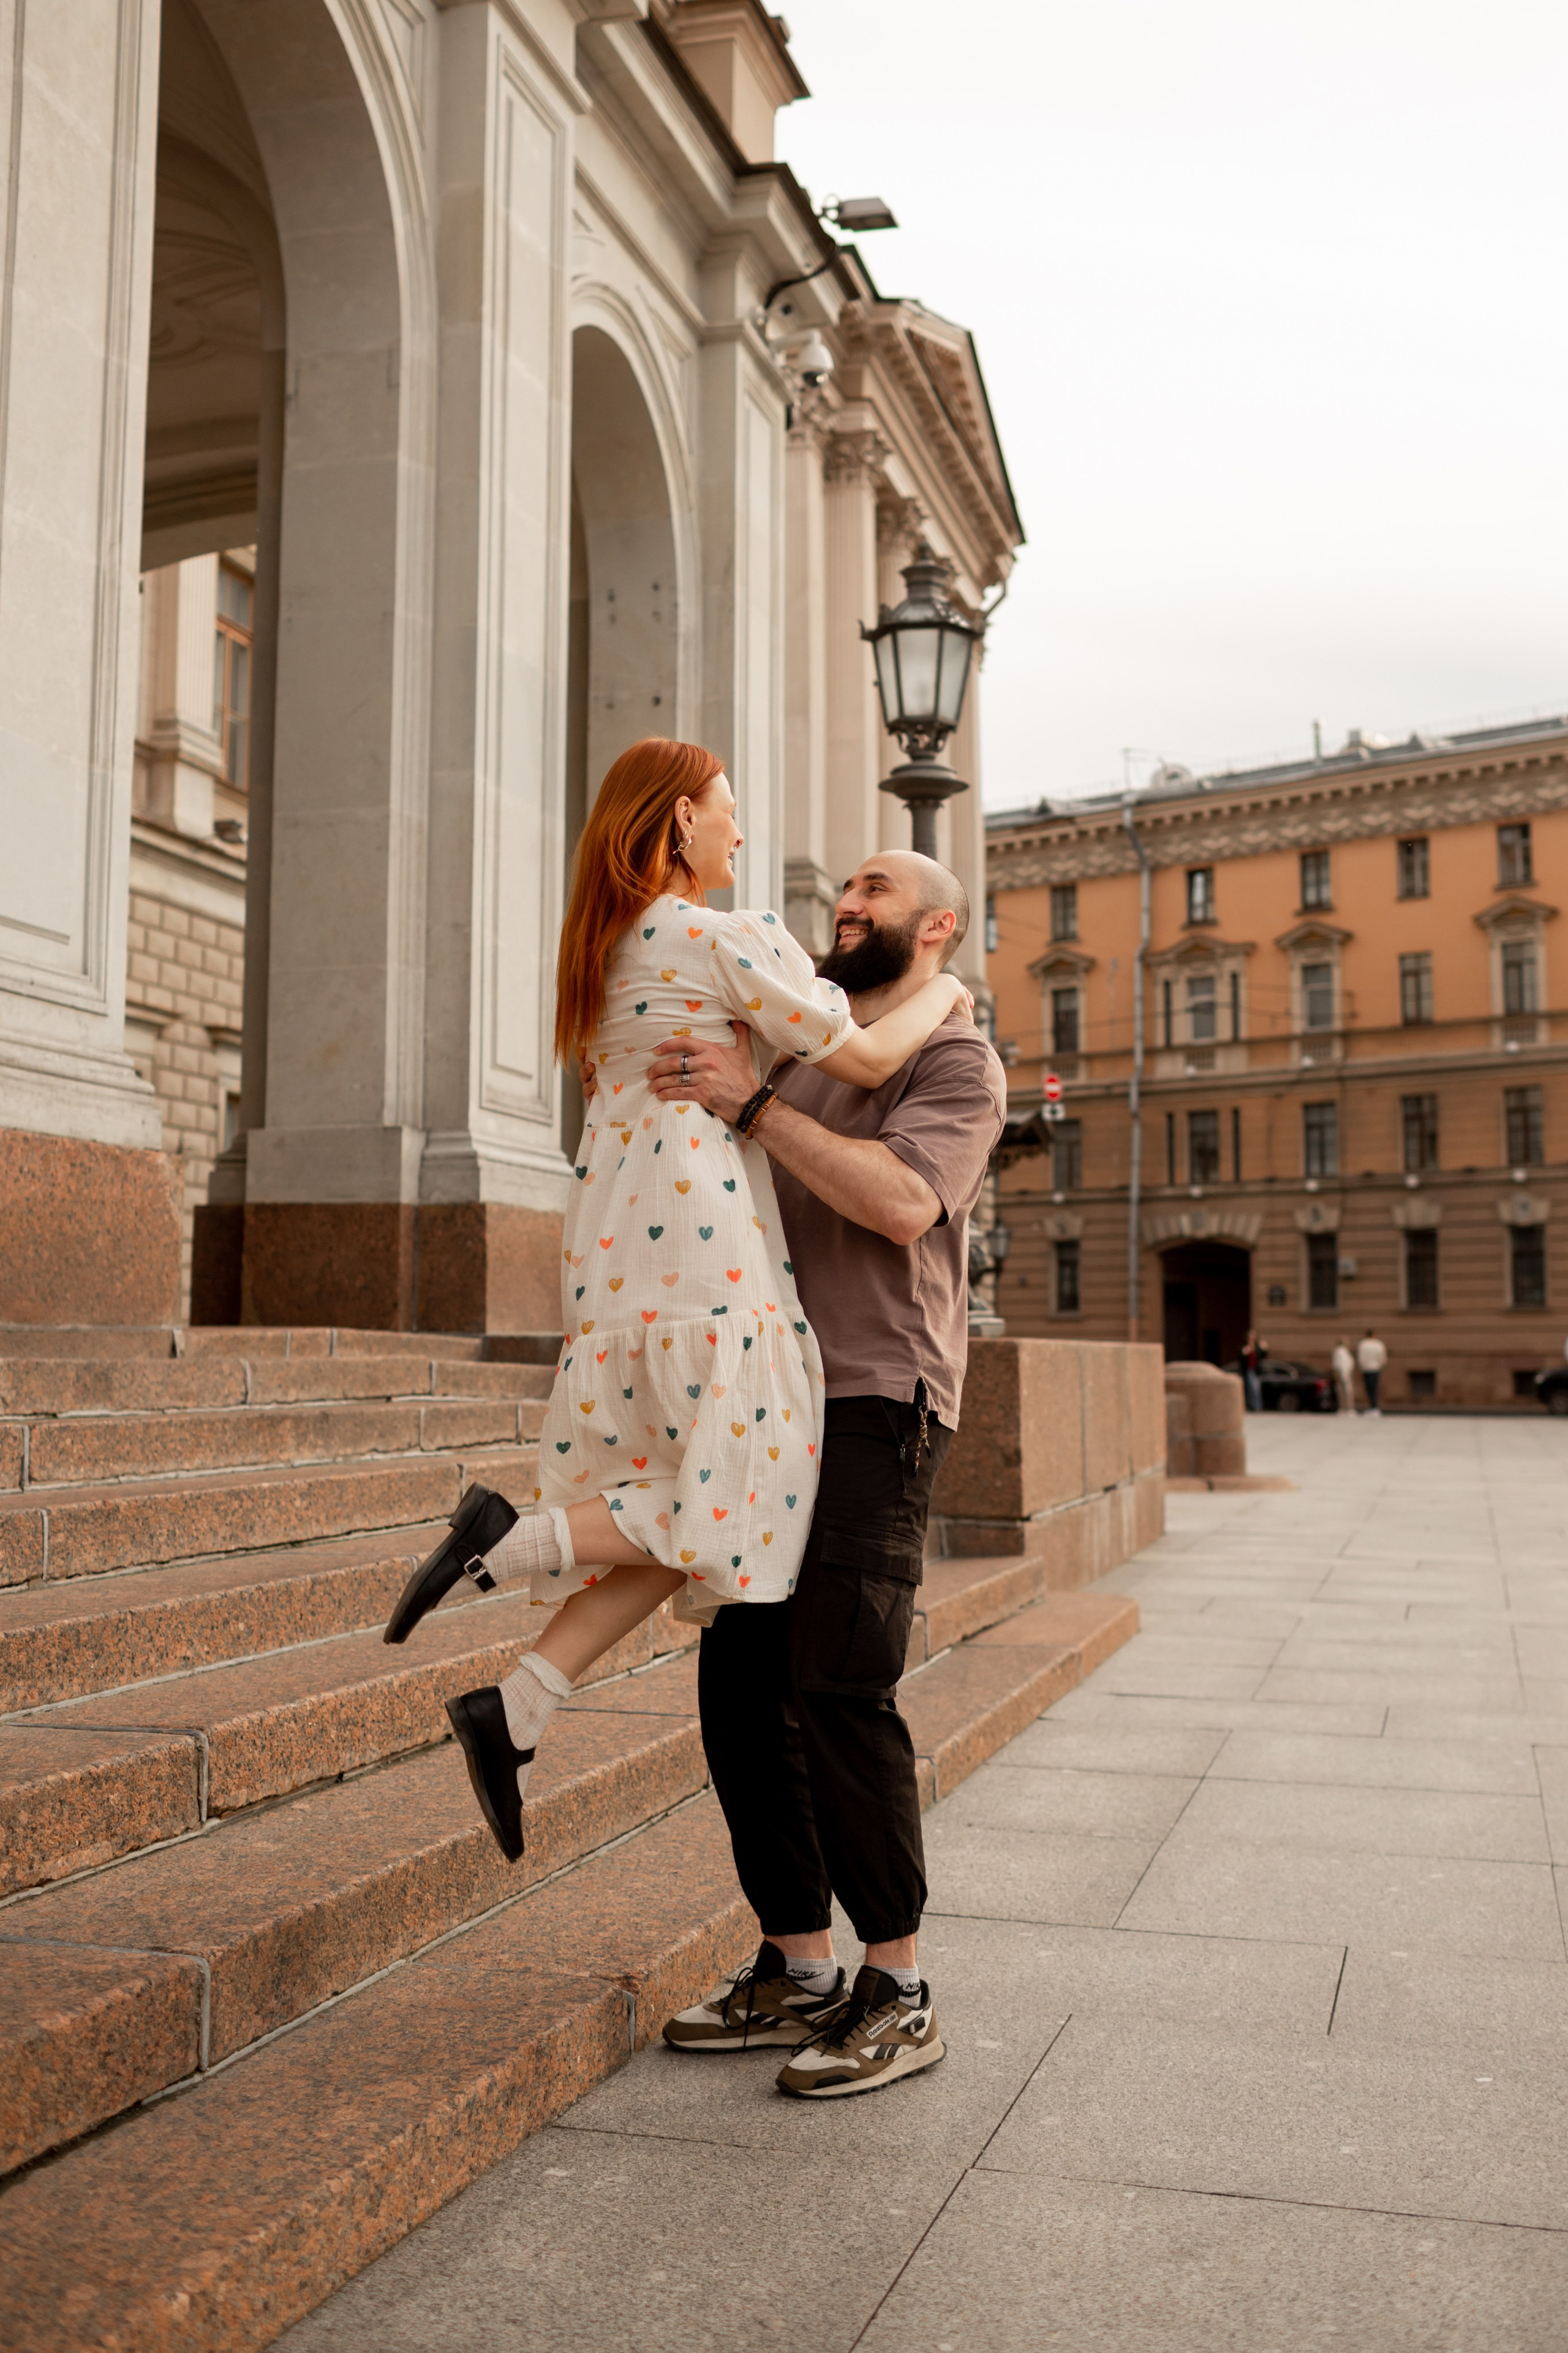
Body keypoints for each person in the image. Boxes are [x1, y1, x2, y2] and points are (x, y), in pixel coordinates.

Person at [381, 739, 970, 1868]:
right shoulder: (718, 936)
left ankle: (522, 1703)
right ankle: (514, 1541)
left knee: (694, 1494)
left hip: (618, 1247)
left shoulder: (602, 952)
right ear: (682, 821)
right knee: (742, 1500)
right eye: (726, 810)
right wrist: (946, 986)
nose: (740, 832)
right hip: (709, 1251)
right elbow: (864, 1058)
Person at [649, 849, 1006, 2098]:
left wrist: (755, 1106)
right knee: (741, 1684)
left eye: (875, 893)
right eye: (844, 891)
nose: (846, 906)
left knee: (840, 1682)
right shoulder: (806, 1040)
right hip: (765, 1402)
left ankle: (896, 1988)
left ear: (937, 926)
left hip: (876, 1394)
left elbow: (900, 1202)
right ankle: (799, 1961)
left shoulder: (954, 1062)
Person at [1357, 1327, 1387, 1414]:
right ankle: (1375, 1407)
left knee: (1369, 1388)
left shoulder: (1363, 1344)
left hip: (1366, 1369)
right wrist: (1380, 1365)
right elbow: (1383, 1358)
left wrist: (1362, 1367)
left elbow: (1361, 1358)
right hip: (1376, 1368)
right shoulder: (1379, 1344)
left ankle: (1372, 1406)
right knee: (1375, 1388)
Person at [1240, 1328, 1265, 1413]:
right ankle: (1251, 1406)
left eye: (1254, 1337)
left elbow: (1263, 1356)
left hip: (1256, 1371)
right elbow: (1241, 1358)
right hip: (1248, 1371)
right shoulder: (1244, 1347)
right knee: (1250, 1389)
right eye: (1251, 1337)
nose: (1252, 1339)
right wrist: (1246, 1353)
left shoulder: (1257, 1348)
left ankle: (1257, 1406)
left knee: (1256, 1389)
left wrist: (1264, 1348)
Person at [1331, 1337, 1355, 1416]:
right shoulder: (1340, 1351)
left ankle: (1347, 1408)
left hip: (1345, 1373)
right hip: (1343, 1373)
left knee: (1345, 1391)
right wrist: (1338, 1373)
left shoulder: (1343, 1351)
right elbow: (1338, 1364)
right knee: (1345, 1391)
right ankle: (1346, 1409)